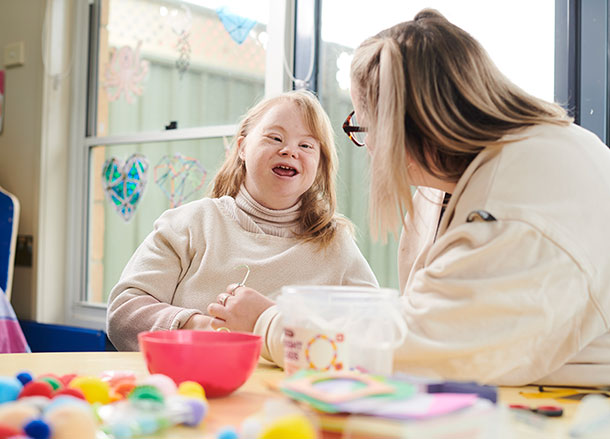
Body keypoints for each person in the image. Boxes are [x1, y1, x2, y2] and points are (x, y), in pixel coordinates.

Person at [342, 8, 610, 386]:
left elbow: (420, 352)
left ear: (401, 127)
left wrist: (273, 324)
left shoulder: (523, 197)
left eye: (364, 124)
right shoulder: (444, 189)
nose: (367, 144)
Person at [106, 90, 378, 353]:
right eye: (274, 137)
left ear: (319, 165)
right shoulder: (189, 224)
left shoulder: (335, 245)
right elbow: (124, 311)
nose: (289, 151)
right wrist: (201, 327)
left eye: (306, 145)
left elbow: (375, 328)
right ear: (242, 148)